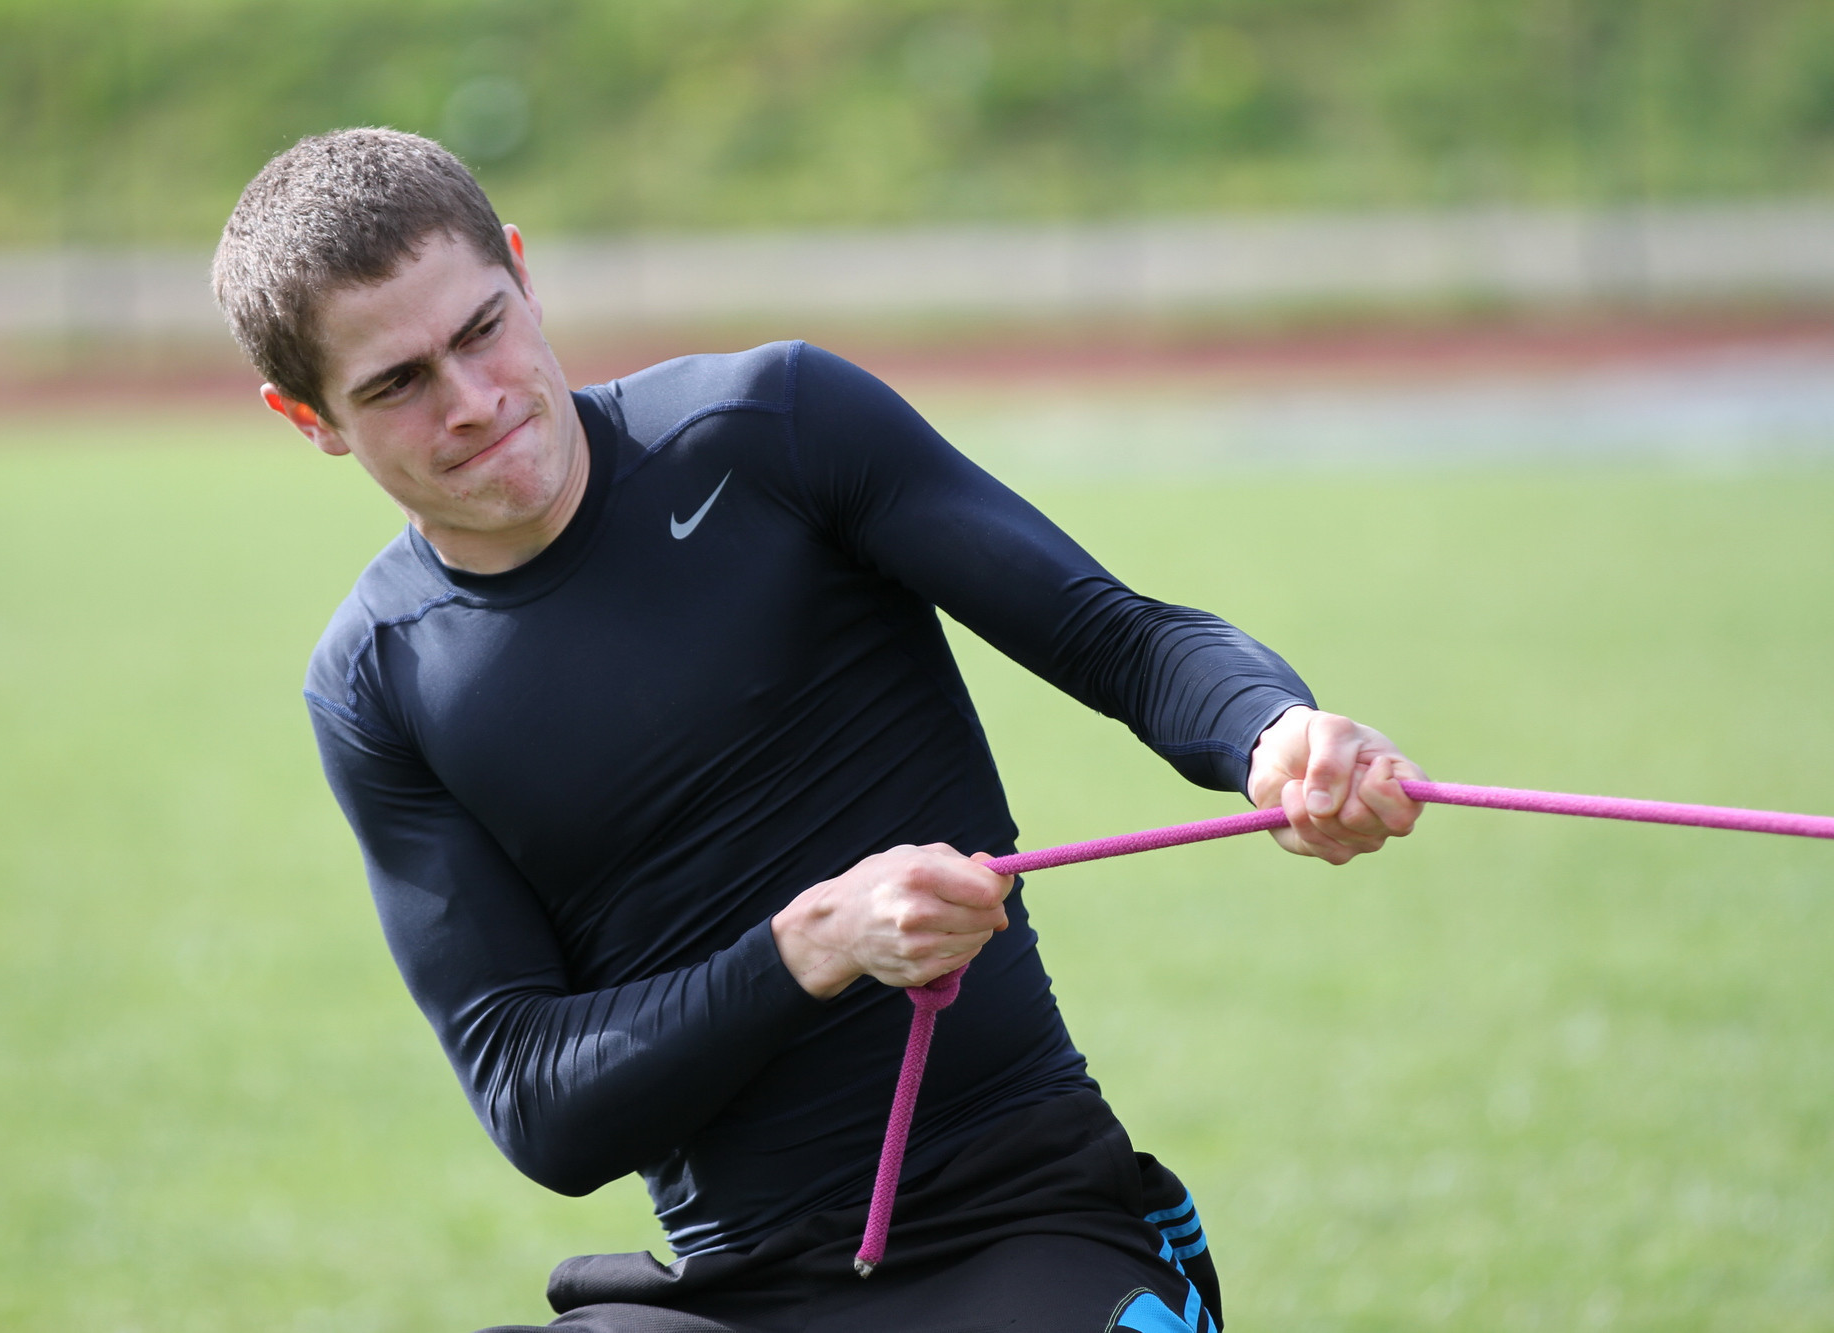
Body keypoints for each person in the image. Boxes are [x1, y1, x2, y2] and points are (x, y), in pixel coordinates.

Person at [213, 128, 1425, 1333]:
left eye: (481, 329)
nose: (472, 402)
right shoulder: (375, 683)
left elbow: (1120, 639)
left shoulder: (771, 427)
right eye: (397, 384)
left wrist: (1269, 734)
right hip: (731, 1293)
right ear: (308, 416)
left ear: (522, 274)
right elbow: (538, 1103)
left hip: (1021, 1213)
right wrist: (809, 947)